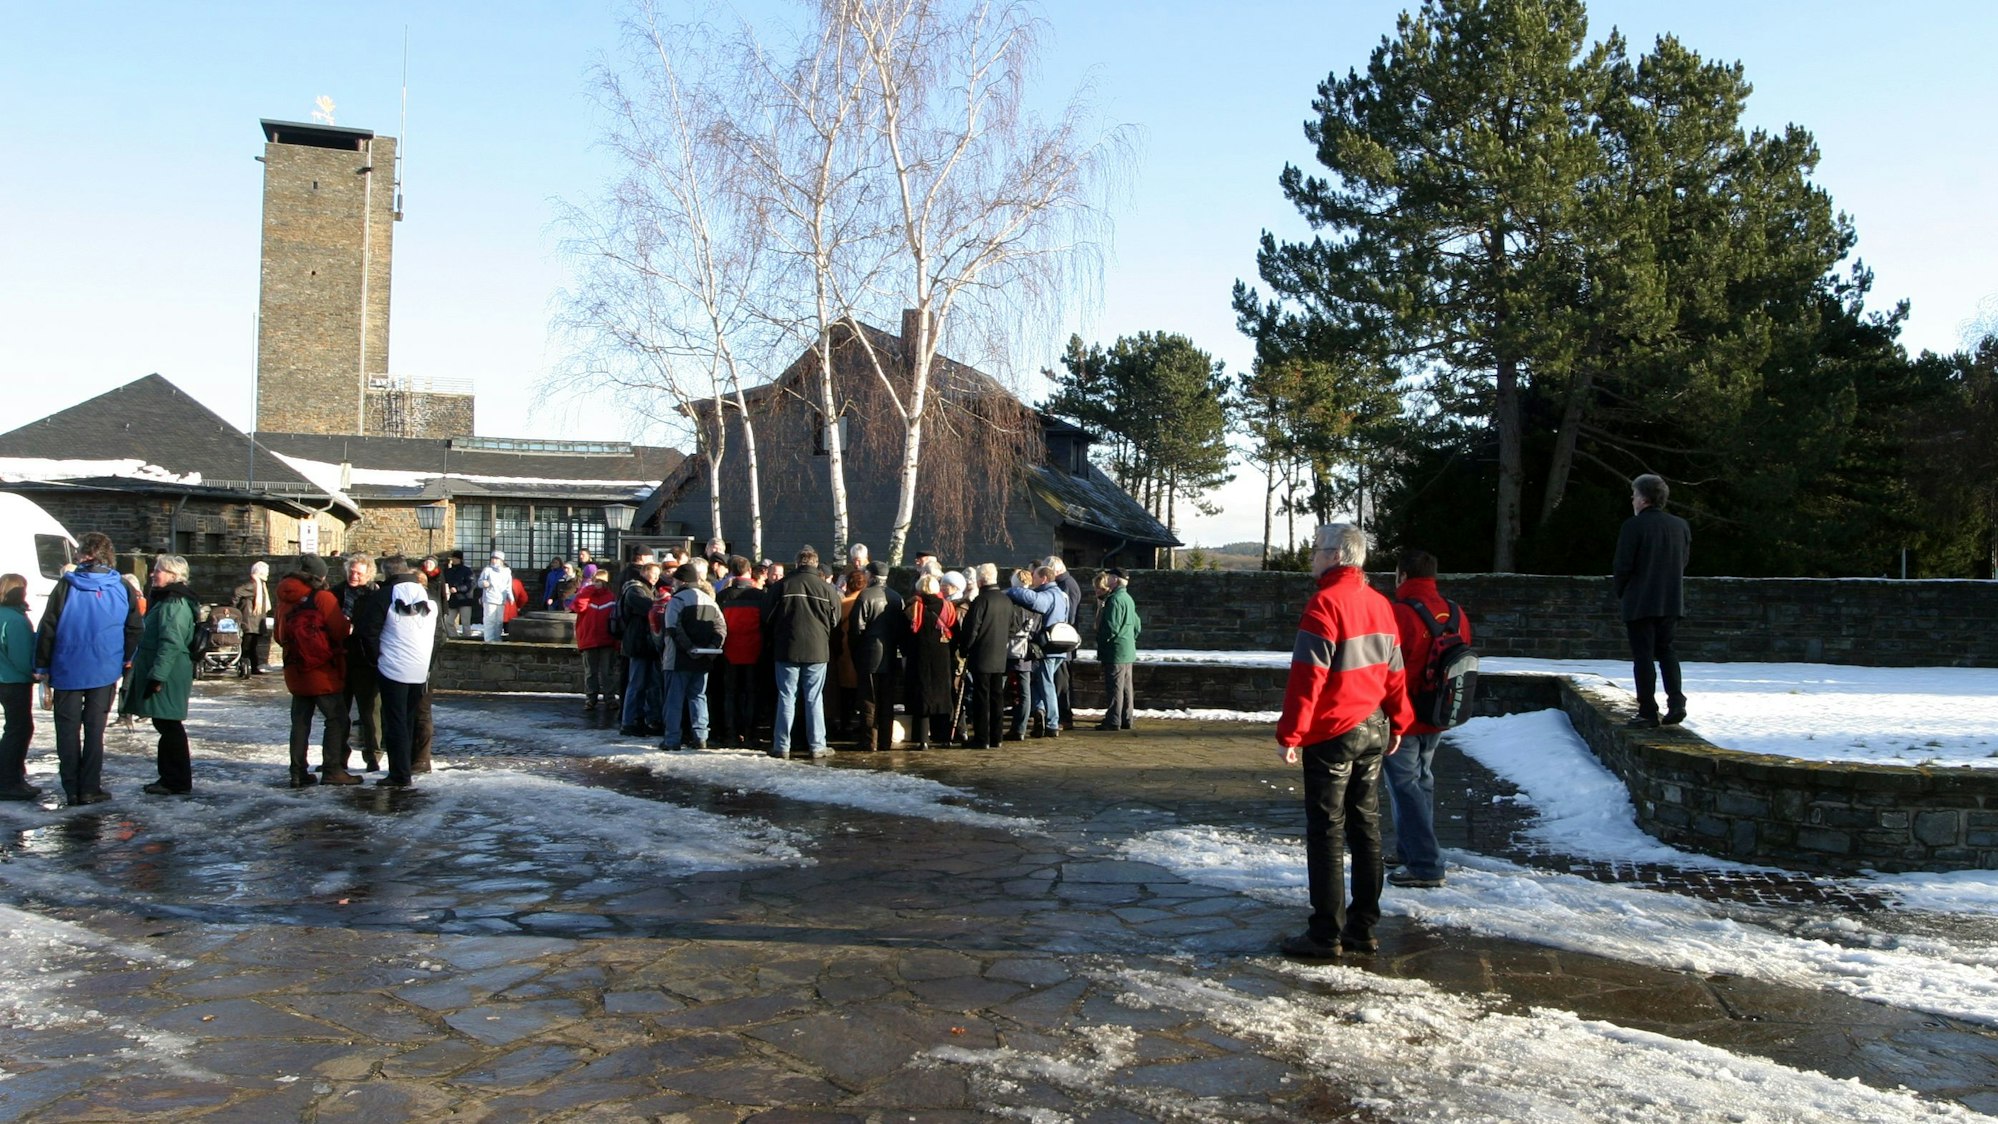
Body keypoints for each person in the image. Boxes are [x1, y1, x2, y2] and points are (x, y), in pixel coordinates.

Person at [1274, 524, 1413, 961]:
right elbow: (1395, 672)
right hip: (1374, 727)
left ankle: (1324, 934)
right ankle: (1363, 928)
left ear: (1336, 556)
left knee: (1327, 832)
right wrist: (1400, 721)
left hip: (1333, 731)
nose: (1312, 556)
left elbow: (1307, 677)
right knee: (1366, 828)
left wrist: (1291, 733)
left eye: (1316, 549)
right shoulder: (1381, 604)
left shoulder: (1325, 603)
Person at [33, 531, 141, 806]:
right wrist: (125, 659)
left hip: (67, 667)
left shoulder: (66, 586)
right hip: (104, 668)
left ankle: (72, 789)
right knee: (95, 731)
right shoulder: (122, 586)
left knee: (67, 731)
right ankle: (90, 787)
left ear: (84, 555)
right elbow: (134, 628)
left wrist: (42, 664)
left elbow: (48, 626)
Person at [1385, 549, 1469, 890]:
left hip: (1404, 715)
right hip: (1439, 712)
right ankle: (1409, 850)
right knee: (1422, 781)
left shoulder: (1399, 613)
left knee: (1405, 786)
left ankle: (1426, 864)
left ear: (1403, 575)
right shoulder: (1456, 613)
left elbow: (1387, 665)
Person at [274, 554, 360, 788]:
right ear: (320, 575)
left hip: (295, 668)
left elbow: (279, 636)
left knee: (300, 722)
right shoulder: (322, 597)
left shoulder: (284, 598)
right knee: (337, 719)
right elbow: (340, 630)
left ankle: (297, 772)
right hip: (322, 670)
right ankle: (333, 770)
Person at [357, 555, 441, 789]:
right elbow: (439, 634)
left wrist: (376, 659)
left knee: (394, 722)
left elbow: (368, 632)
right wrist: (426, 661)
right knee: (409, 719)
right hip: (419, 667)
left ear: (386, 573)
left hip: (392, 667)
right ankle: (407, 766)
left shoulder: (384, 595)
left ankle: (399, 773)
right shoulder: (428, 596)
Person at [1615, 473, 1692, 728]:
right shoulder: (1680, 525)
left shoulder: (1633, 526)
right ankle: (1677, 701)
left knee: (1643, 656)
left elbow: (1623, 565)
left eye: (1634, 494)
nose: (1632, 499)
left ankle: (1648, 711)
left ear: (1644, 498)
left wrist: (1622, 592)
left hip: (1640, 600)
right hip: (1671, 599)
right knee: (1666, 650)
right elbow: (1683, 561)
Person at [121, 554, 200, 795]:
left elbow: (171, 643)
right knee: (165, 723)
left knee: (169, 724)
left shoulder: (174, 603)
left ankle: (175, 780)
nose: (154, 574)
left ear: (174, 575)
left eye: (159, 570)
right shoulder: (167, 600)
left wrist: (157, 677)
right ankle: (171, 778)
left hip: (169, 673)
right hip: (166, 670)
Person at [763, 545, 840, 760]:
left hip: (787, 647)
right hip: (817, 649)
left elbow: (767, 616)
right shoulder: (827, 589)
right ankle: (817, 745)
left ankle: (782, 745)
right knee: (814, 698)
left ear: (797, 563)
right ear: (816, 564)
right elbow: (835, 620)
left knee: (787, 696)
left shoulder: (782, 586)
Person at [659, 563, 726, 751]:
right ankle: (701, 737)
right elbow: (721, 628)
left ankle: (672, 739)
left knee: (674, 700)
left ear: (681, 581)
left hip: (677, 659)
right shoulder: (710, 601)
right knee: (698, 697)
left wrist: (689, 648)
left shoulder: (677, 600)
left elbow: (673, 628)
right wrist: (711, 648)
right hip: (704, 658)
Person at [1004, 566, 1071, 739]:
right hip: (1060, 647)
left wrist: (1012, 590)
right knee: (1040, 683)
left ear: (1044, 579)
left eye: (1035, 576)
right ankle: (1040, 712)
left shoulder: (1049, 594)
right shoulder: (1062, 595)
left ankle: (1052, 723)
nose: (1033, 579)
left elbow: (1034, 601)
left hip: (1048, 647)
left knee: (1046, 684)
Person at [332, 553, 381, 773]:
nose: (353, 576)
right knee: (339, 712)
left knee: (370, 712)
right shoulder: (335, 593)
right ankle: (337, 758)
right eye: (351, 571)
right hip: (340, 658)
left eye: (359, 573)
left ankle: (373, 756)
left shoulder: (375, 595)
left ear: (369, 574)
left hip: (365, 660)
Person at [848, 560, 904, 752]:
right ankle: (885, 741)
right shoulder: (896, 597)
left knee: (868, 700)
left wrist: (856, 652)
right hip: (890, 654)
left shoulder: (865, 596)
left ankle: (869, 741)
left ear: (871, 576)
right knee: (887, 700)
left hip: (869, 654)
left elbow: (856, 629)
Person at [954, 563, 1011, 749]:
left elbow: (971, 629)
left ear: (980, 580)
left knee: (981, 698)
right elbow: (1011, 627)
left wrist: (964, 649)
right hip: (1000, 655)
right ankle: (996, 737)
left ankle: (982, 737)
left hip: (981, 655)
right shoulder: (1006, 600)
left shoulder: (980, 601)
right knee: (997, 697)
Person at [902, 573, 957, 751]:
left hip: (919, 656)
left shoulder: (913, 607)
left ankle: (922, 738)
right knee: (943, 695)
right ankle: (943, 736)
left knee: (922, 695)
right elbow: (955, 633)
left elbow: (906, 633)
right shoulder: (948, 607)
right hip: (942, 655)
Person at [716, 557, 765, 746]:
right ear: (749, 571)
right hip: (754, 649)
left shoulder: (723, 596)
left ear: (731, 572)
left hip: (729, 651)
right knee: (752, 694)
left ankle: (731, 733)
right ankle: (750, 733)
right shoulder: (759, 596)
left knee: (730, 693)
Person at [0, 574, 40, 799]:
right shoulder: (15, 620)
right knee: (19, 729)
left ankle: (12, 777)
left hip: (4, 679)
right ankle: (9, 780)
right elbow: (21, 657)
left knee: (15, 728)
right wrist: (36, 673)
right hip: (14, 681)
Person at [618, 553, 665, 737]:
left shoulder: (647, 590)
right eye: (653, 574)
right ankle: (629, 722)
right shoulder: (635, 590)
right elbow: (649, 608)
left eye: (657, 575)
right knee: (636, 684)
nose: (656, 578)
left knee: (651, 684)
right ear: (644, 572)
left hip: (646, 643)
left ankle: (649, 719)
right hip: (638, 643)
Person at [1094, 568, 1142, 731]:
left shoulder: (1114, 600)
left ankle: (1113, 720)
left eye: (1109, 576)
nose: (1106, 579)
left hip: (1115, 651)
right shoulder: (1128, 598)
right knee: (1126, 687)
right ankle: (1126, 718)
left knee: (1115, 687)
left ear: (1115, 579)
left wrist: (1100, 641)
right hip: (1127, 649)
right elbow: (1137, 625)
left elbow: (1111, 627)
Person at [571, 568, 619, 712]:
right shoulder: (586, 595)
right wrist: (588, 590)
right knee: (590, 672)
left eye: (601, 581)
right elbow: (578, 607)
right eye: (595, 581)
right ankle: (591, 699)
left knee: (607, 672)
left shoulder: (611, 597)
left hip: (607, 640)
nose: (598, 584)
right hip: (589, 639)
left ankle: (610, 699)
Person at [1045, 556, 1084, 731]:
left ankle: (1065, 716)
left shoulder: (1066, 585)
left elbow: (1069, 617)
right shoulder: (1066, 584)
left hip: (1062, 641)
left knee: (1062, 681)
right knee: (1060, 680)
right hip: (1062, 641)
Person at [232, 560, 274, 675]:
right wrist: (234, 608)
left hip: (256, 620)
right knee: (247, 645)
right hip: (250, 620)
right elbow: (237, 592)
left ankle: (253, 667)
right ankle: (247, 666)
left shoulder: (261, 585)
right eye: (266, 571)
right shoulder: (253, 585)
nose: (268, 574)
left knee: (253, 645)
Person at [476, 550, 515, 643]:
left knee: (499, 621)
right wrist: (483, 583)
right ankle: (489, 640)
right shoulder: (487, 570)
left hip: (501, 599)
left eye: (496, 559)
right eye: (492, 558)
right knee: (490, 620)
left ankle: (497, 639)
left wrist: (510, 596)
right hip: (489, 598)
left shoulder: (506, 572)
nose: (493, 560)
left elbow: (508, 586)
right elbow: (479, 582)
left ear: (501, 560)